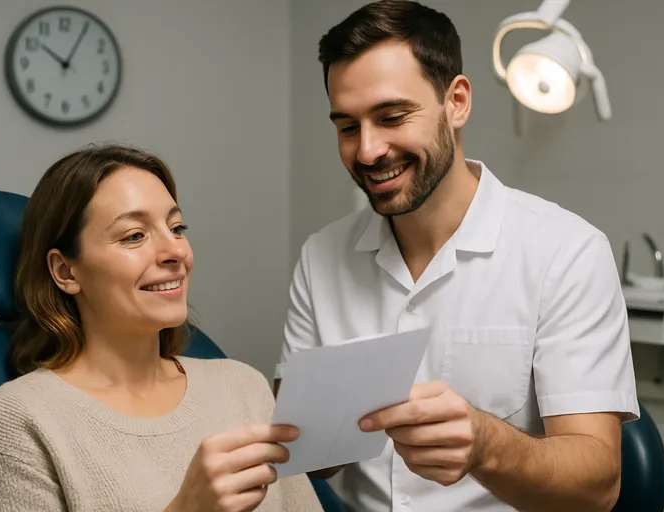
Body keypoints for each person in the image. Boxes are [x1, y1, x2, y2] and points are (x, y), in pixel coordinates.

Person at [274, 1, 639, 511]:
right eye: (347, 127)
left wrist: (486, 445)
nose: (367, 151)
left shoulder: (566, 252)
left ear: (458, 102)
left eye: (392, 117)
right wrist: (296, 432)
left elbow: (598, 487)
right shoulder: (321, 257)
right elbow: (308, 456)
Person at [0, 144, 323, 512]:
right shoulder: (17, 422)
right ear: (65, 271)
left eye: (176, 227)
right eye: (134, 235)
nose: (176, 252)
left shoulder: (244, 387)